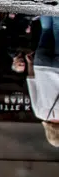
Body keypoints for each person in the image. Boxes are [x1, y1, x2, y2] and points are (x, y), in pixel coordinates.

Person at [29, 16, 59, 149]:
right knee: (46, 30)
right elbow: (32, 83)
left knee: (58, 30)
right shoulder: (39, 113)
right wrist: (30, 64)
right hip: (41, 66)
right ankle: (46, 6)